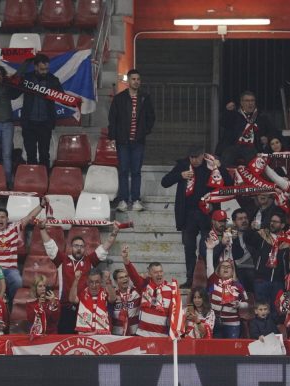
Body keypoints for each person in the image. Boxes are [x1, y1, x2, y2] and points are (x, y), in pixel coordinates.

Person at [161, 146, 232, 287]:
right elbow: (165, 182)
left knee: (209, 248)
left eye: (196, 157)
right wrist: (180, 175)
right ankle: (190, 279)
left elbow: (229, 184)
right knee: (189, 248)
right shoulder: (183, 165)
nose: (193, 160)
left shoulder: (212, 164)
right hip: (188, 214)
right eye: (191, 157)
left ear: (202, 156)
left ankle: (211, 278)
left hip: (208, 214)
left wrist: (221, 167)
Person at [39, 220, 120, 334]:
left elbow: (105, 247)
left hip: (84, 307)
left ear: (85, 248)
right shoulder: (62, 260)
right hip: (66, 307)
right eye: (76, 246)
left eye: (81, 246)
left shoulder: (90, 260)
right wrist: (42, 229)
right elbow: (50, 245)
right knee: (66, 340)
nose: (79, 248)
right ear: (71, 247)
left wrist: (114, 232)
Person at [0, 196, 44, 304]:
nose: (0, 219)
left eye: (3, 217)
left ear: (7, 219)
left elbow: (29, 217)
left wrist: (41, 205)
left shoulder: (13, 229)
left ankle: (9, 303)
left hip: (10, 270)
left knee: (17, 281)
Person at [108, 68, 155, 212]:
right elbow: (113, 119)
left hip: (138, 141)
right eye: (133, 79)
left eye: (138, 79)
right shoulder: (119, 98)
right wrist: (113, 137)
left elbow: (151, 117)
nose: (136, 82)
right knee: (123, 170)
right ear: (128, 81)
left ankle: (135, 200)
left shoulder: (145, 98)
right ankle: (123, 200)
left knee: (136, 171)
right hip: (123, 141)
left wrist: (144, 131)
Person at [19, 54, 63, 169]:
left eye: (47, 69)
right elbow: (13, 94)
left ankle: (44, 182)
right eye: (42, 69)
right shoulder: (26, 79)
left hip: (45, 124)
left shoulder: (53, 80)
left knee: (44, 155)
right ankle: (32, 182)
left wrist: (75, 101)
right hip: (29, 124)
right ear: (35, 67)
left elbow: (61, 97)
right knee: (30, 155)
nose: (45, 71)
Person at [241, 213, 288, 303]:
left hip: (278, 282)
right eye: (271, 221)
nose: (272, 224)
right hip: (261, 280)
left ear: (282, 225)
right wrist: (251, 229)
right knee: (261, 309)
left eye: (275, 222)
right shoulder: (262, 235)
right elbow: (248, 239)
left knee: (277, 309)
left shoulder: (287, 241)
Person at [205, 242, 249, 339]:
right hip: (215, 321)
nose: (225, 268)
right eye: (223, 267)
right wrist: (209, 249)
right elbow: (209, 266)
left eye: (228, 267)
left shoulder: (238, 286)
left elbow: (246, 303)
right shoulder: (214, 281)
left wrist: (239, 304)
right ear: (219, 270)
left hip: (233, 324)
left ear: (232, 271)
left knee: (231, 351)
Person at [218, 91, 273, 166]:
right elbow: (223, 123)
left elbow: (272, 131)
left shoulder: (261, 116)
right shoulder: (234, 114)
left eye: (252, 100)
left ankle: (250, 177)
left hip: (253, 147)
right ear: (241, 102)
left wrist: (267, 137)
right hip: (234, 145)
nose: (250, 103)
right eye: (247, 101)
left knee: (252, 158)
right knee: (227, 156)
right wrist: (228, 111)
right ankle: (228, 177)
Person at [125, 258, 174, 337]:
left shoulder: (171, 290)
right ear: (150, 274)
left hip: (162, 337)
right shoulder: (144, 286)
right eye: (156, 272)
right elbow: (133, 275)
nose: (159, 274)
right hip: (142, 335)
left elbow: (174, 314)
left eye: (161, 271)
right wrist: (126, 261)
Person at [69, 268, 116, 335]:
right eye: (91, 282)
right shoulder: (82, 293)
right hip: (84, 333)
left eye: (97, 282)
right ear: (87, 282)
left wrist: (107, 281)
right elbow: (72, 299)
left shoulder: (105, 292)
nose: (94, 286)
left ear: (101, 282)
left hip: (102, 335)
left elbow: (113, 298)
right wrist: (76, 280)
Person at [110, 246, 142, 336]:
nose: (125, 279)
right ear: (116, 281)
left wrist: (126, 259)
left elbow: (136, 277)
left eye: (126, 276)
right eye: (121, 277)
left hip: (135, 334)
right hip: (116, 335)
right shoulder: (113, 296)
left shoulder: (136, 292)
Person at [229, 209, 256, 295]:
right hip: (238, 269)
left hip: (253, 268)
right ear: (234, 222)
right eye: (240, 219)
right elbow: (236, 255)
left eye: (245, 218)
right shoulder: (229, 235)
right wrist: (233, 239)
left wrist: (251, 231)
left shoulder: (254, 234)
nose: (244, 221)